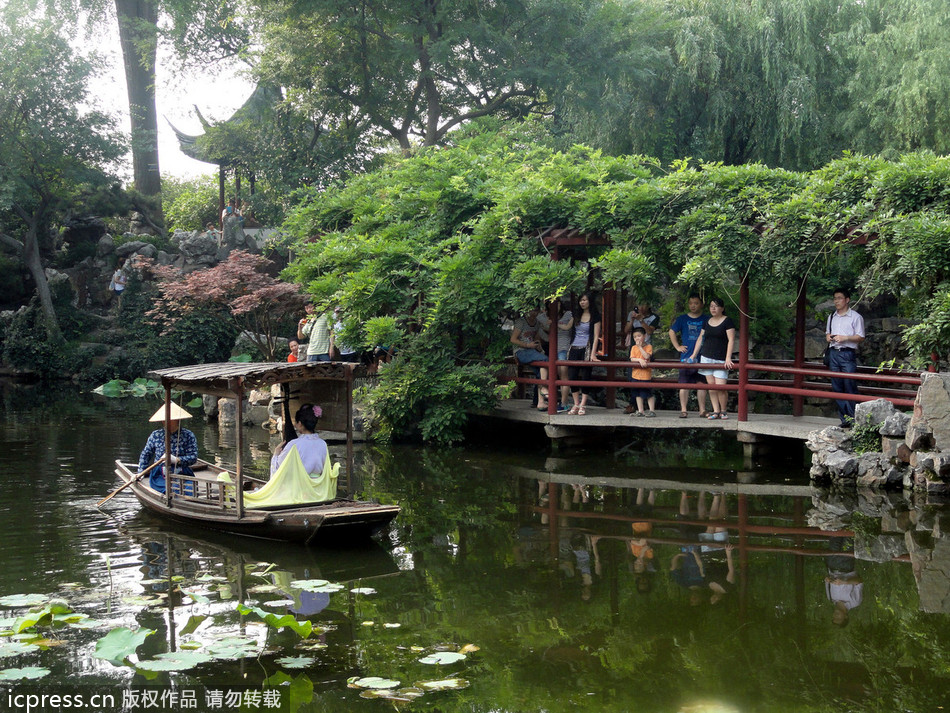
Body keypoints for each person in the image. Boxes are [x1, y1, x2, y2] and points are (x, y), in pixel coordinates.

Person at [690, 297, 735, 420]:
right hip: (706, 357)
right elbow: (701, 338)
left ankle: (723, 410)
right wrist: (694, 355)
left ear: (722, 308)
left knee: (721, 386)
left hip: (721, 357)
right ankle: (716, 410)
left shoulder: (727, 321)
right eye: (711, 306)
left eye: (716, 306)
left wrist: (728, 358)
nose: (713, 308)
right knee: (711, 386)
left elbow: (731, 340)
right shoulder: (707, 321)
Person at [138, 403, 198, 494]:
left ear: (177, 420)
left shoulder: (188, 435)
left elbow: (193, 457)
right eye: (163, 420)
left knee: (190, 492)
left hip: (182, 472)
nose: (165, 422)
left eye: (169, 420)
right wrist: (140, 472)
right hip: (160, 474)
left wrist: (177, 460)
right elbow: (146, 454)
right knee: (169, 491)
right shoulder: (156, 435)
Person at [826, 288, 865, 427]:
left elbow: (861, 337)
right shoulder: (831, 316)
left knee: (850, 385)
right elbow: (827, 334)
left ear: (847, 300)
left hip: (847, 353)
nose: (836, 301)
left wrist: (845, 338)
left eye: (839, 298)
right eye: (835, 298)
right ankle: (845, 419)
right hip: (834, 353)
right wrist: (830, 338)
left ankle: (854, 419)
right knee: (837, 387)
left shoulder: (855, 317)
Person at [669, 294, 710, 419]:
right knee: (684, 384)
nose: (693, 305)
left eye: (696, 303)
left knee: (702, 384)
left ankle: (702, 410)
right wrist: (677, 347)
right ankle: (683, 410)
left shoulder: (707, 319)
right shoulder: (682, 319)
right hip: (686, 356)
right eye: (691, 303)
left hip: (703, 356)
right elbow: (671, 331)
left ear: (701, 305)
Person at [271, 403, 328, 477]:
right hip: (317, 486)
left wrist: (276, 454)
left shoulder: (294, 444)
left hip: (298, 486)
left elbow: (280, 468)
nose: (295, 425)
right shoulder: (322, 444)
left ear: (300, 424)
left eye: (296, 422)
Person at [567, 293, 601, 415]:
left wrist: (593, 354)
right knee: (572, 376)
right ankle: (576, 403)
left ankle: (583, 404)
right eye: (581, 300)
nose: (582, 302)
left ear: (589, 301)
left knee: (586, 376)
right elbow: (567, 327)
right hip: (574, 347)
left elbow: (596, 336)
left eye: (585, 300)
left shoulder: (595, 316)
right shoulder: (576, 315)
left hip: (587, 347)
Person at [511, 307, 551, 411]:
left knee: (541, 373)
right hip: (521, 351)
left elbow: (536, 337)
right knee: (545, 360)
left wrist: (537, 345)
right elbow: (513, 339)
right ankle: (543, 388)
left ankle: (539, 402)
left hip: (532, 351)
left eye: (536, 310)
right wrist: (527, 345)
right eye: (532, 310)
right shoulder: (521, 322)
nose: (534, 313)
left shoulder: (537, 323)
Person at [537, 300, 574, 411]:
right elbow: (538, 325)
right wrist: (546, 329)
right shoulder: (543, 317)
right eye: (551, 304)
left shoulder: (568, 315)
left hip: (563, 349)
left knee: (563, 376)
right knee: (547, 375)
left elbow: (568, 327)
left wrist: (553, 323)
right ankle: (544, 401)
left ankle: (564, 403)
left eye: (557, 303)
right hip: (550, 349)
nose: (554, 306)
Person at [825, 537, 862, 627]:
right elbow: (859, 581)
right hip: (846, 564)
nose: (835, 616)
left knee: (835, 534)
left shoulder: (830, 598)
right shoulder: (855, 602)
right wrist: (844, 582)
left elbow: (827, 579)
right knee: (848, 537)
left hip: (832, 564)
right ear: (846, 617)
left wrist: (828, 580)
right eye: (838, 618)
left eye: (833, 617)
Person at [628, 327, 656, 417]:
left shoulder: (649, 346)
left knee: (648, 393)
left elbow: (647, 356)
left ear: (644, 336)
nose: (637, 338)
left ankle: (652, 410)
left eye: (639, 336)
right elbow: (632, 359)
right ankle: (641, 411)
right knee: (637, 393)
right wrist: (640, 360)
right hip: (635, 374)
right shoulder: (633, 348)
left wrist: (640, 347)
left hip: (645, 375)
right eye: (635, 337)